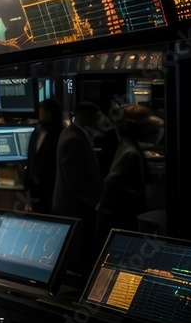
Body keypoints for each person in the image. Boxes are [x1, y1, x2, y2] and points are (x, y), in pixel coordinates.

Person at [51, 101, 104, 270]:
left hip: (71, 206)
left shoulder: (70, 133)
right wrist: (94, 201)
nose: (99, 121)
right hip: (74, 207)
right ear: (87, 116)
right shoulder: (73, 138)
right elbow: (74, 179)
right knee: (78, 255)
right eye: (97, 117)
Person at [96, 104, 152, 245]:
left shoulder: (126, 146)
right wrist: (138, 195)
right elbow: (112, 180)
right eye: (146, 125)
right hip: (119, 218)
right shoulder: (130, 151)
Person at [23, 97, 64, 214]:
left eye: (45, 110)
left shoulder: (60, 134)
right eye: (41, 109)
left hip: (51, 190)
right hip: (34, 190)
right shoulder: (36, 132)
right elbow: (31, 160)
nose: (41, 113)